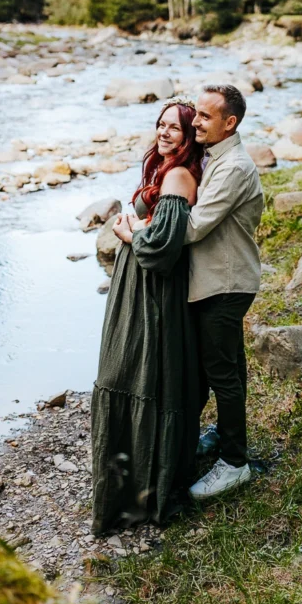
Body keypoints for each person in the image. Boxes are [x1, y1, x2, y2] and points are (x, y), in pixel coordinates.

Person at [90, 98, 203, 534]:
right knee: (129, 373)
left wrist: (130, 232)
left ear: (190, 134)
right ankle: (130, 484)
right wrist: (136, 230)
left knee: (136, 374)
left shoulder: (178, 175)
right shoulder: (161, 169)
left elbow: (162, 248)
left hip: (152, 293)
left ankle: (140, 493)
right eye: (161, 124)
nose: (164, 132)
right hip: (135, 288)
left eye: (175, 127)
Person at [184, 83, 264, 500]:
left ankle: (235, 463)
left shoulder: (234, 167)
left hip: (225, 282)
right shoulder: (216, 157)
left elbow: (195, 225)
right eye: (195, 113)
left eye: (204, 116)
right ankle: (226, 435)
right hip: (223, 278)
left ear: (229, 123)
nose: (195, 121)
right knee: (231, 366)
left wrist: (141, 233)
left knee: (220, 373)